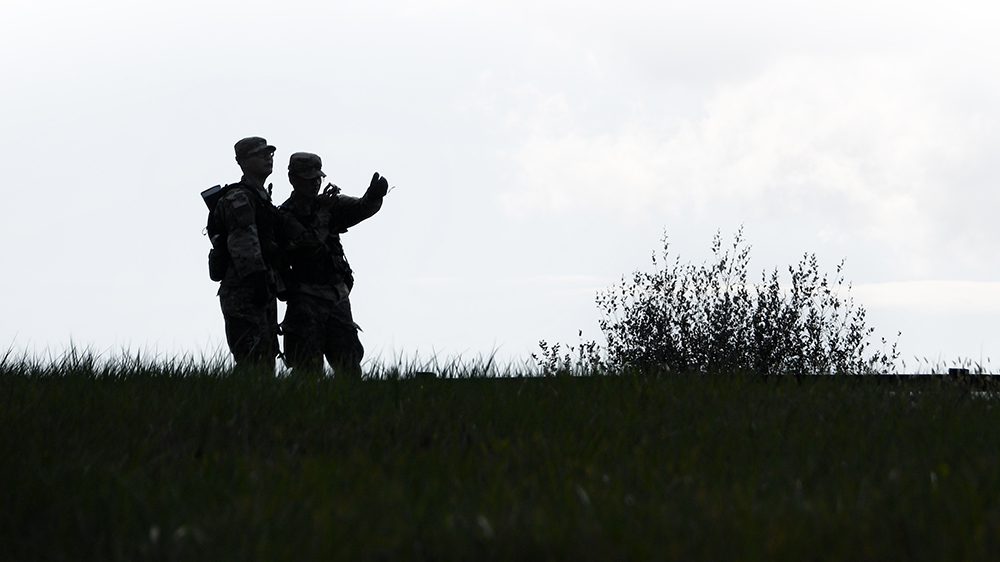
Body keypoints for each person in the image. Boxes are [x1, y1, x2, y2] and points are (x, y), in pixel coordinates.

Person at [278, 152, 388, 378]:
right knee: (306, 367)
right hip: (304, 297)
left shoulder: (328, 205)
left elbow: (359, 208)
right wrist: (323, 214)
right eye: (308, 178)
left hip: (336, 296)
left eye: (317, 178)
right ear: (293, 179)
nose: (315, 183)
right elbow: (309, 245)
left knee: (348, 362)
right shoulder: (285, 215)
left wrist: (374, 197)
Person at [211, 136, 283, 372]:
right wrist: (257, 278)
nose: (268, 158)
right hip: (245, 289)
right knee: (252, 360)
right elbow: (243, 242)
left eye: (269, 153)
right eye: (260, 154)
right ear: (242, 162)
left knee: (265, 360)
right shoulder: (239, 197)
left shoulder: (261, 197)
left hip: (261, 287)